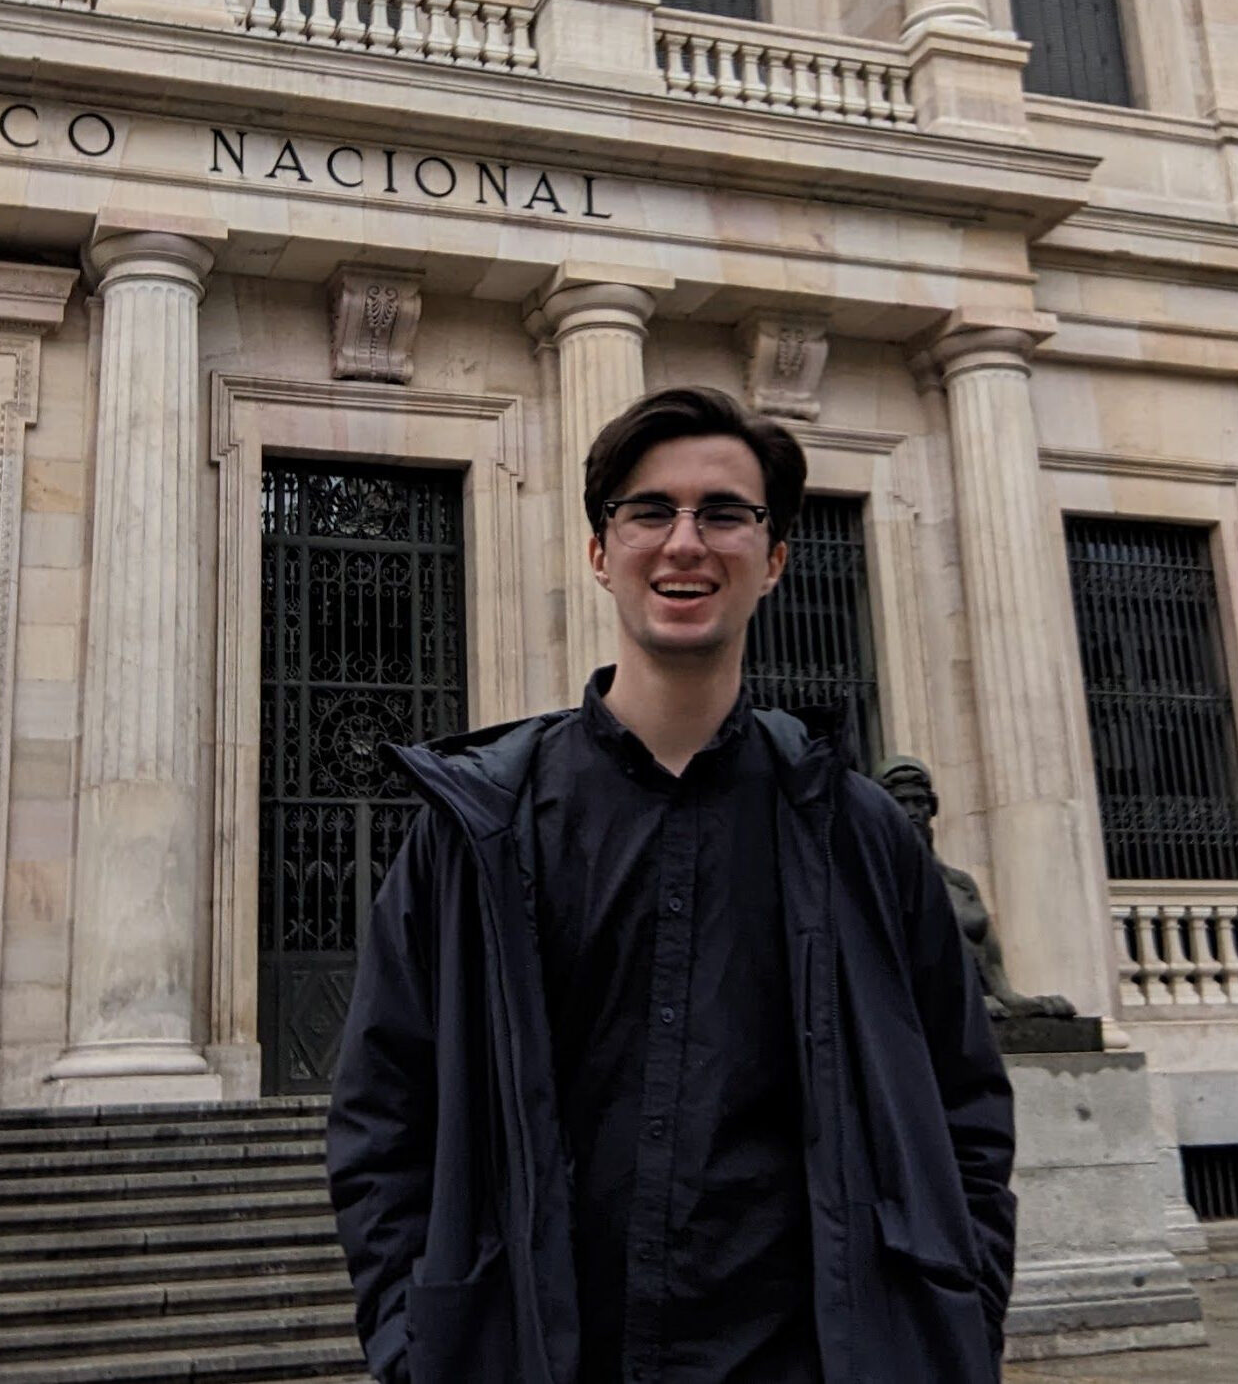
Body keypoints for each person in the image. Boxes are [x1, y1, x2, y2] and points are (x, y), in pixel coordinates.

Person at [326, 385, 1017, 1384]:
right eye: (649, 510)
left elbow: (965, 1104)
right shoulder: (476, 830)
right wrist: (415, 1344)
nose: (685, 541)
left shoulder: (862, 832)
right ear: (599, 551)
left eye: (724, 512)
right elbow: (382, 1110)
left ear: (772, 559)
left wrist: (958, 1321)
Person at [873, 756, 1075, 1022]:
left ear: (932, 808)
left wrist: (1012, 1001)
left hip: (977, 1002)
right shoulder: (877, 881)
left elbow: (991, 962)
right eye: (900, 802)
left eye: (919, 801)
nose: (912, 812)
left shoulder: (961, 883)